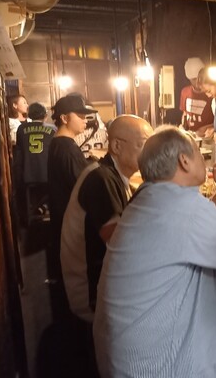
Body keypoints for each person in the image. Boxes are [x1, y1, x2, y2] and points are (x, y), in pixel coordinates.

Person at [93, 126, 216, 377]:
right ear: (184, 161)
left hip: (128, 360)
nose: (204, 160)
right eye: (198, 153)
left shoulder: (147, 201)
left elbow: (191, 235)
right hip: (166, 365)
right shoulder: (182, 207)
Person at [61, 114, 153, 323]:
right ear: (117, 146)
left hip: (105, 280)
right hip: (91, 293)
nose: (150, 153)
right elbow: (120, 245)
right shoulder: (100, 179)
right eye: (143, 145)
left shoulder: (112, 175)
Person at [47, 94, 97, 322]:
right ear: (64, 118)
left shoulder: (60, 144)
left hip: (63, 221)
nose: (85, 120)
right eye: (80, 115)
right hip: (71, 225)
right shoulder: (66, 149)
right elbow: (85, 187)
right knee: (80, 285)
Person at [12, 102, 56, 225]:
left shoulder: (21, 129)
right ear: (45, 115)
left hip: (28, 175)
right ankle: (44, 208)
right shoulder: (53, 129)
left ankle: (34, 215)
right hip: (47, 175)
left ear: (29, 114)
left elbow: (19, 152)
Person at [179, 57, 214, 135]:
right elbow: (184, 113)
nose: (197, 82)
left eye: (199, 78)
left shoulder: (211, 93)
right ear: (189, 79)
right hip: (191, 135)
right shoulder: (185, 91)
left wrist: (208, 128)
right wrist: (183, 126)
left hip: (207, 137)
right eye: (194, 79)